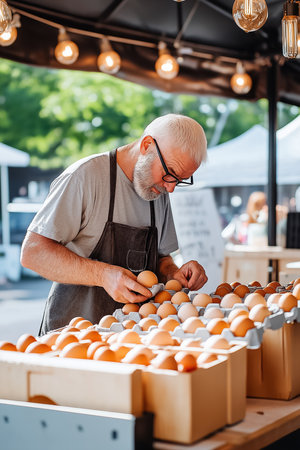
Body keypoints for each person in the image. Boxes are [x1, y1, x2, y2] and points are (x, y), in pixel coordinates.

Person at [20, 114, 208, 334]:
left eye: (180, 180)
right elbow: (33, 253)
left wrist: (174, 273)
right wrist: (102, 275)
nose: (171, 188)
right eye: (170, 174)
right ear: (147, 145)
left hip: (135, 338)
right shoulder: (85, 177)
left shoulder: (158, 191)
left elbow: (161, 259)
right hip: (73, 337)